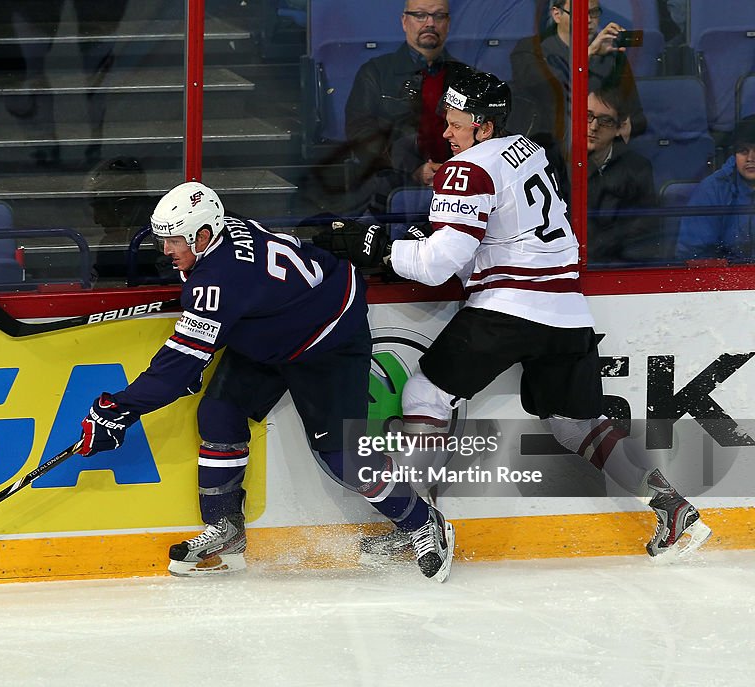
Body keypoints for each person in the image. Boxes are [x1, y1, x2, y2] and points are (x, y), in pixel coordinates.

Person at [325, 71, 712, 561]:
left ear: (484, 127)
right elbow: (497, 233)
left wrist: (381, 250)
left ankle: (420, 525)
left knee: (426, 392)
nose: (447, 134)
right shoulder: (528, 150)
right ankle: (673, 509)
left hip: (507, 308)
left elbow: (439, 263)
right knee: (576, 425)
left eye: (457, 124)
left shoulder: (467, 169)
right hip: (568, 312)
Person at [74, 181, 454, 581]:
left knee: (344, 456)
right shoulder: (223, 238)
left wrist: (117, 410)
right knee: (219, 415)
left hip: (327, 339)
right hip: (274, 332)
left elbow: (178, 365)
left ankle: (423, 523)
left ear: (203, 236)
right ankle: (226, 530)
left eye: (173, 241)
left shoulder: (218, 279)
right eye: (162, 240)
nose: (166, 250)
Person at [345, 0, 474, 214]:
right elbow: (360, 134)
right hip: (390, 188)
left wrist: (452, 172)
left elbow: (481, 134)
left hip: (459, 189)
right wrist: (412, 168)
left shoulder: (467, 77)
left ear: (448, 23)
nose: (430, 23)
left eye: (439, 16)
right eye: (420, 15)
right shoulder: (375, 72)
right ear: (405, 21)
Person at [510, 0, 644, 153]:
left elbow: (635, 116)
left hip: (598, 151)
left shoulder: (612, 56)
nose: (588, 20)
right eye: (578, 14)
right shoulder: (530, 50)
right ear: (557, 14)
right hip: (547, 149)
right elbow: (544, 89)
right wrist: (587, 55)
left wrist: (621, 127)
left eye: (593, 13)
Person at [585, 86, 660, 264]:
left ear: (620, 127)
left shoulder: (638, 168)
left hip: (618, 262)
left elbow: (644, 226)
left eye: (605, 121)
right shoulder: (560, 163)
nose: (593, 127)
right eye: (588, 116)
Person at [676, 116, 755, 262]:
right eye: (743, 151)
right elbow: (694, 254)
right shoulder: (712, 189)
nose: (750, 158)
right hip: (725, 280)